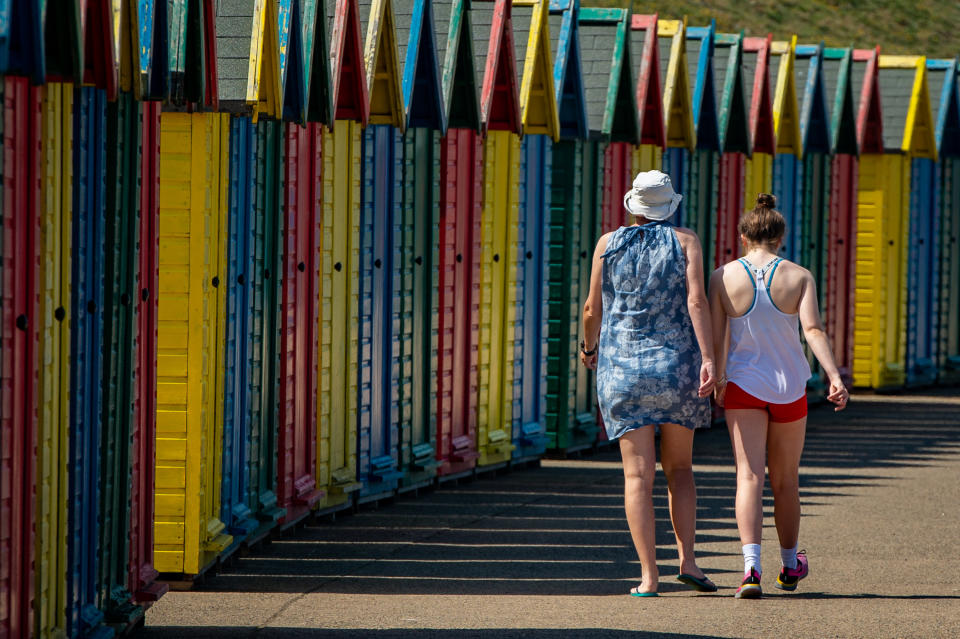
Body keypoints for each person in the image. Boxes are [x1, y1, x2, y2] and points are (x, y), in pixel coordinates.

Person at [580, 170, 717, 597]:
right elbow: (696, 300)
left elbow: (590, 309)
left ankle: (648, 577)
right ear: (668, 205)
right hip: (676, 368)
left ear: (633, 205)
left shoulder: (608, 243)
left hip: (622, 371)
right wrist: (709, 357)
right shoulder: (686, 241)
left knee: (637, 478)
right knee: (680, 470)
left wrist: (588, 350)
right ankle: (689, 562)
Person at [708, 193, 848, 599]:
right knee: (785, 481)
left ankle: (751, 569)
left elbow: (719, 336)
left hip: (743, 385)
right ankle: (789, 567)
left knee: (748, 476)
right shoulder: (800, 276)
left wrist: (717, 378)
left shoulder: (723, 277)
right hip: (789, 387)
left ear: (743, 235)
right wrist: (834, 376)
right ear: (781, 237)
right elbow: (814, 331)